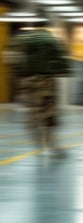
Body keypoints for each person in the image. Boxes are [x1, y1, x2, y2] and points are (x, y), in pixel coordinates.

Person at [5, 20, 72, 154]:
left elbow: (11, 58)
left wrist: (18, 77)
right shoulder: (53, 40)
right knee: (49, 112)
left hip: (26, 81)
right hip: (46, 81)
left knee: (32, 111)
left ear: (33, 27)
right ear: (46, 27)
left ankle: (37, 143)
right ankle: (51, 143)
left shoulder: (21, 39)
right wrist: (62, 71)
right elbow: (62, 60)